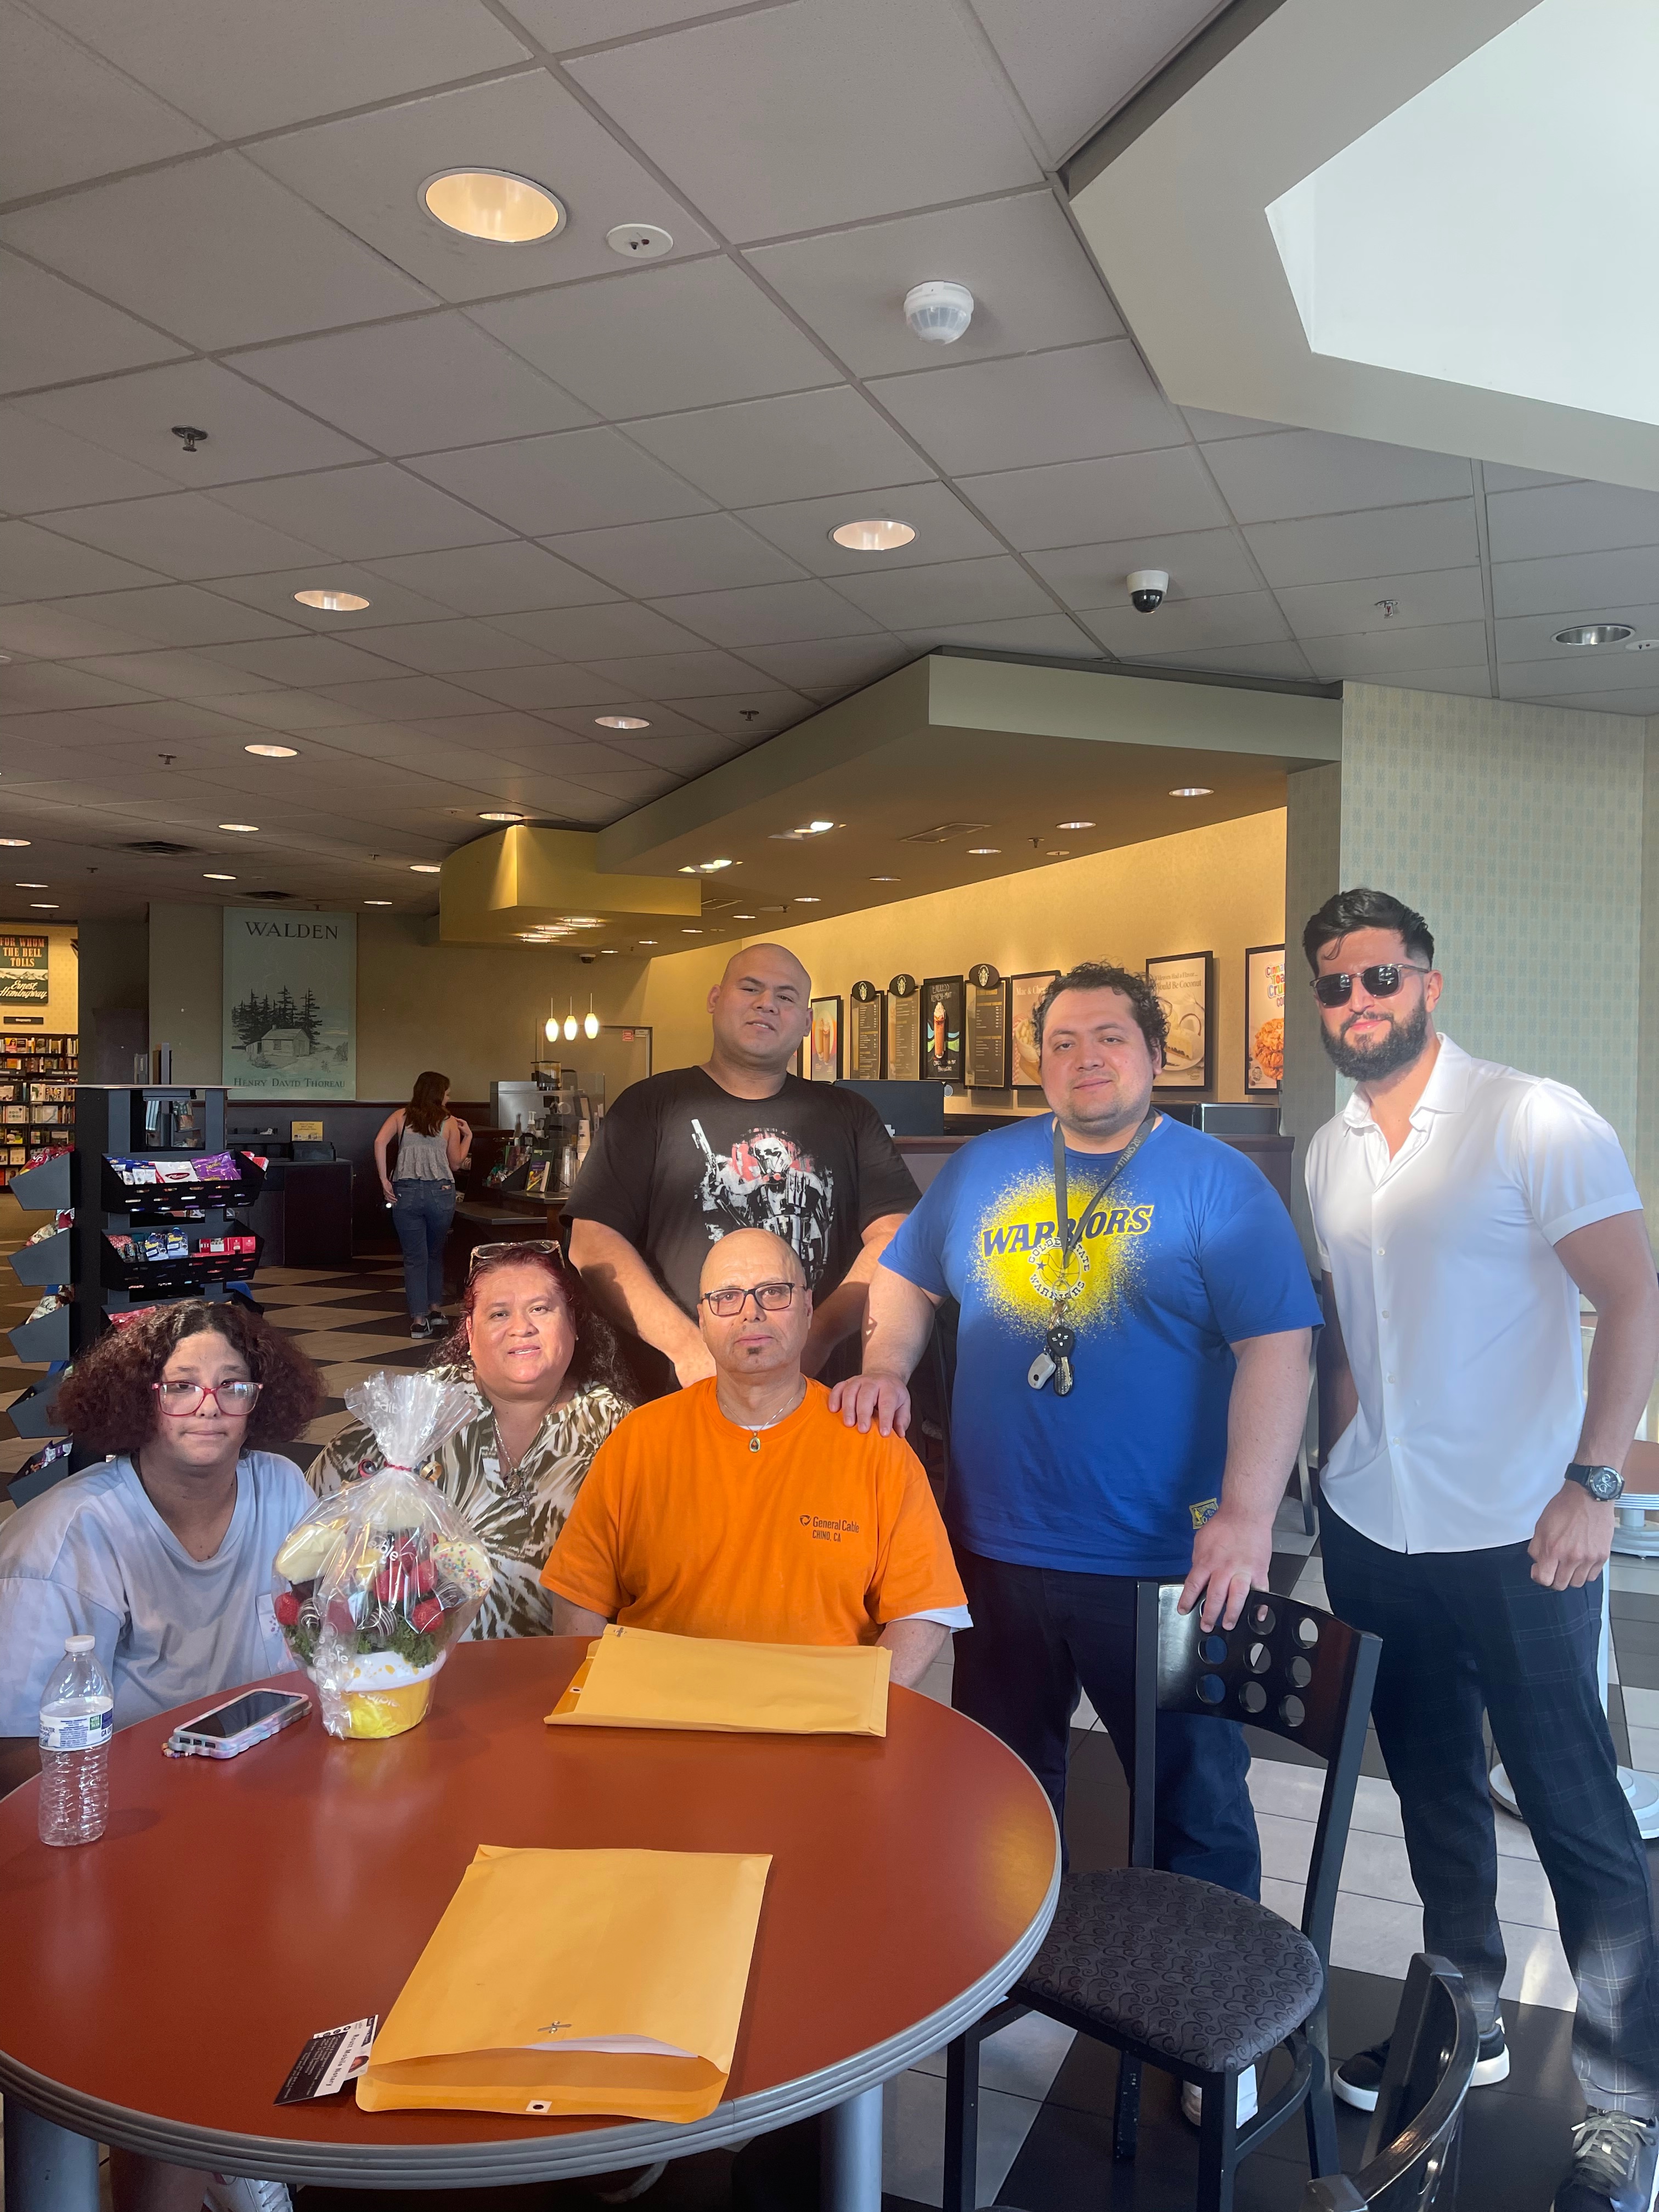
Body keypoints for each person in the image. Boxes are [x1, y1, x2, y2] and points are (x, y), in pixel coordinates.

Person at [1302, 887, 1659, 2212]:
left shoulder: (1532, 1117)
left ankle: (1627, 2100)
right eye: (1336, 984)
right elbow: (1357, 1336)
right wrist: (1334, 1466)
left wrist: (1596, 1483)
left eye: (1381, 977)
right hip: (1377, 1531)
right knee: (1434, 1789)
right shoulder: (1329, 1151)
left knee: (1575, 1809)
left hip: (1524, 1535)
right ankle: (1470, 2012)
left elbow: (1633, 1294)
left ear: (1429, 983)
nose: (1359, 1002)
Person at [837, 960, 1320, 1888]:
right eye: (1061, 1042)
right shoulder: (983, 1168)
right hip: (996, 1549)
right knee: (1000, 1793)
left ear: (1155, 1055)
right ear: (1038, 1064)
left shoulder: (1217, 1183)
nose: (1084, 1056)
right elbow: (902, 1274)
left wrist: (1247, 1515)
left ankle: (1212, 1981)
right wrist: (885, 1367)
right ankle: (1022, 1956)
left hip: (1165, 1562)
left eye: (1108, 1037)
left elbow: (1277, 1347)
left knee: (1193, 1802)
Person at [0, 1299, 324, 2212]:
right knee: (168, 2045)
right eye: (180, 1385)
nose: (207, 1405)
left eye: (232, 1385)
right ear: (138, 1399)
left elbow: (327, 1639)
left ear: (260, 1400)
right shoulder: (65, 1540)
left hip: (267, 1826)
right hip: (119, 1851)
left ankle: (254, 2141)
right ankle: (199, 2159)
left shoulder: (283, 1492)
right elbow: (18, 1756)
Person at [542, 1228, 968, 1685]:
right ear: (703, 1319)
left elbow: (925, 1611)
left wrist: (859, 1703)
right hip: (659, 1708)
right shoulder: (640, 1439)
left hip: (819, 1714)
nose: (752, 1312)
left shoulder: (872, 1441)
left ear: (808, 1308)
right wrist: (599, 1698)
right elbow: (578, 1596)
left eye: (774, 1292)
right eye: (727, 1297)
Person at [565, 944, 918, 1387]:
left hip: (822, 1391)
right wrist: (688, 1350)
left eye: (786, 996)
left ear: (807, 1023)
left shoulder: (850, 1114)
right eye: (750, 988)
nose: (767, 1003)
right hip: (680, 1388)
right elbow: (593, 1243)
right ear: (715, 999)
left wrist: (818, 1338)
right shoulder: (648, 1107)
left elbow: (898, 1236)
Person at [309, 1242, 633, 1638]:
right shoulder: (416, 1411)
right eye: (499, 1313)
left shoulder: (620, 1428)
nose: (522, 1327)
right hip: (410, 1664)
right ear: (470, 1332)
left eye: (540, 1309)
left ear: (574, 1323)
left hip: (565, 1664)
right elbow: (310, 1513)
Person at [374, 1069, 471, 1339]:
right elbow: (456, 1163)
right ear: (438, 1094)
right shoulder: (449, 1122)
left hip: (405, 1192)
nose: (448, 1099)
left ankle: (419, 1320)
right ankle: (435, 1310)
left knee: (414, 1257)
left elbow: (380, 1141)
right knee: (435, 1253)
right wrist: (468, 1137)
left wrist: (384, 1179)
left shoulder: (401, 1116)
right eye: (447, 1094)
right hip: (441, 1192)